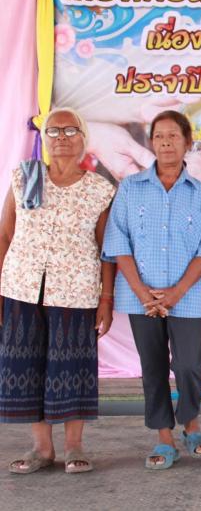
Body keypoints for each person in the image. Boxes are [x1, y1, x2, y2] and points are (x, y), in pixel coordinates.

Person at [102, 110, 201, 470]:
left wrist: (176, 292)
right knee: (152, 367)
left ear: (187, 143)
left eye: (173, 136)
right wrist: (142, 293)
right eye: (159, 136)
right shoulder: (130, 188)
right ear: (151, 142)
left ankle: (191, 424)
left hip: (187, 296)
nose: (166, 143)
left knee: (188, 365)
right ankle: (164, 437)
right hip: (140, 297)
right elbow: (117, 241)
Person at [0, 108, 116, 474]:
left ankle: (73, 446)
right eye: (53, 131)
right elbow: (5, 235)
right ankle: (42, 448)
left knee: (72, 368)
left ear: (84, 138)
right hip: (21, 289)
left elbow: (107, 250)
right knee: (27, 366)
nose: (61, 137)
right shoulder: (26, 176)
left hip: (76, 292)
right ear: (44, 138)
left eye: (70, 130)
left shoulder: (99, 189)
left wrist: (106, 299)